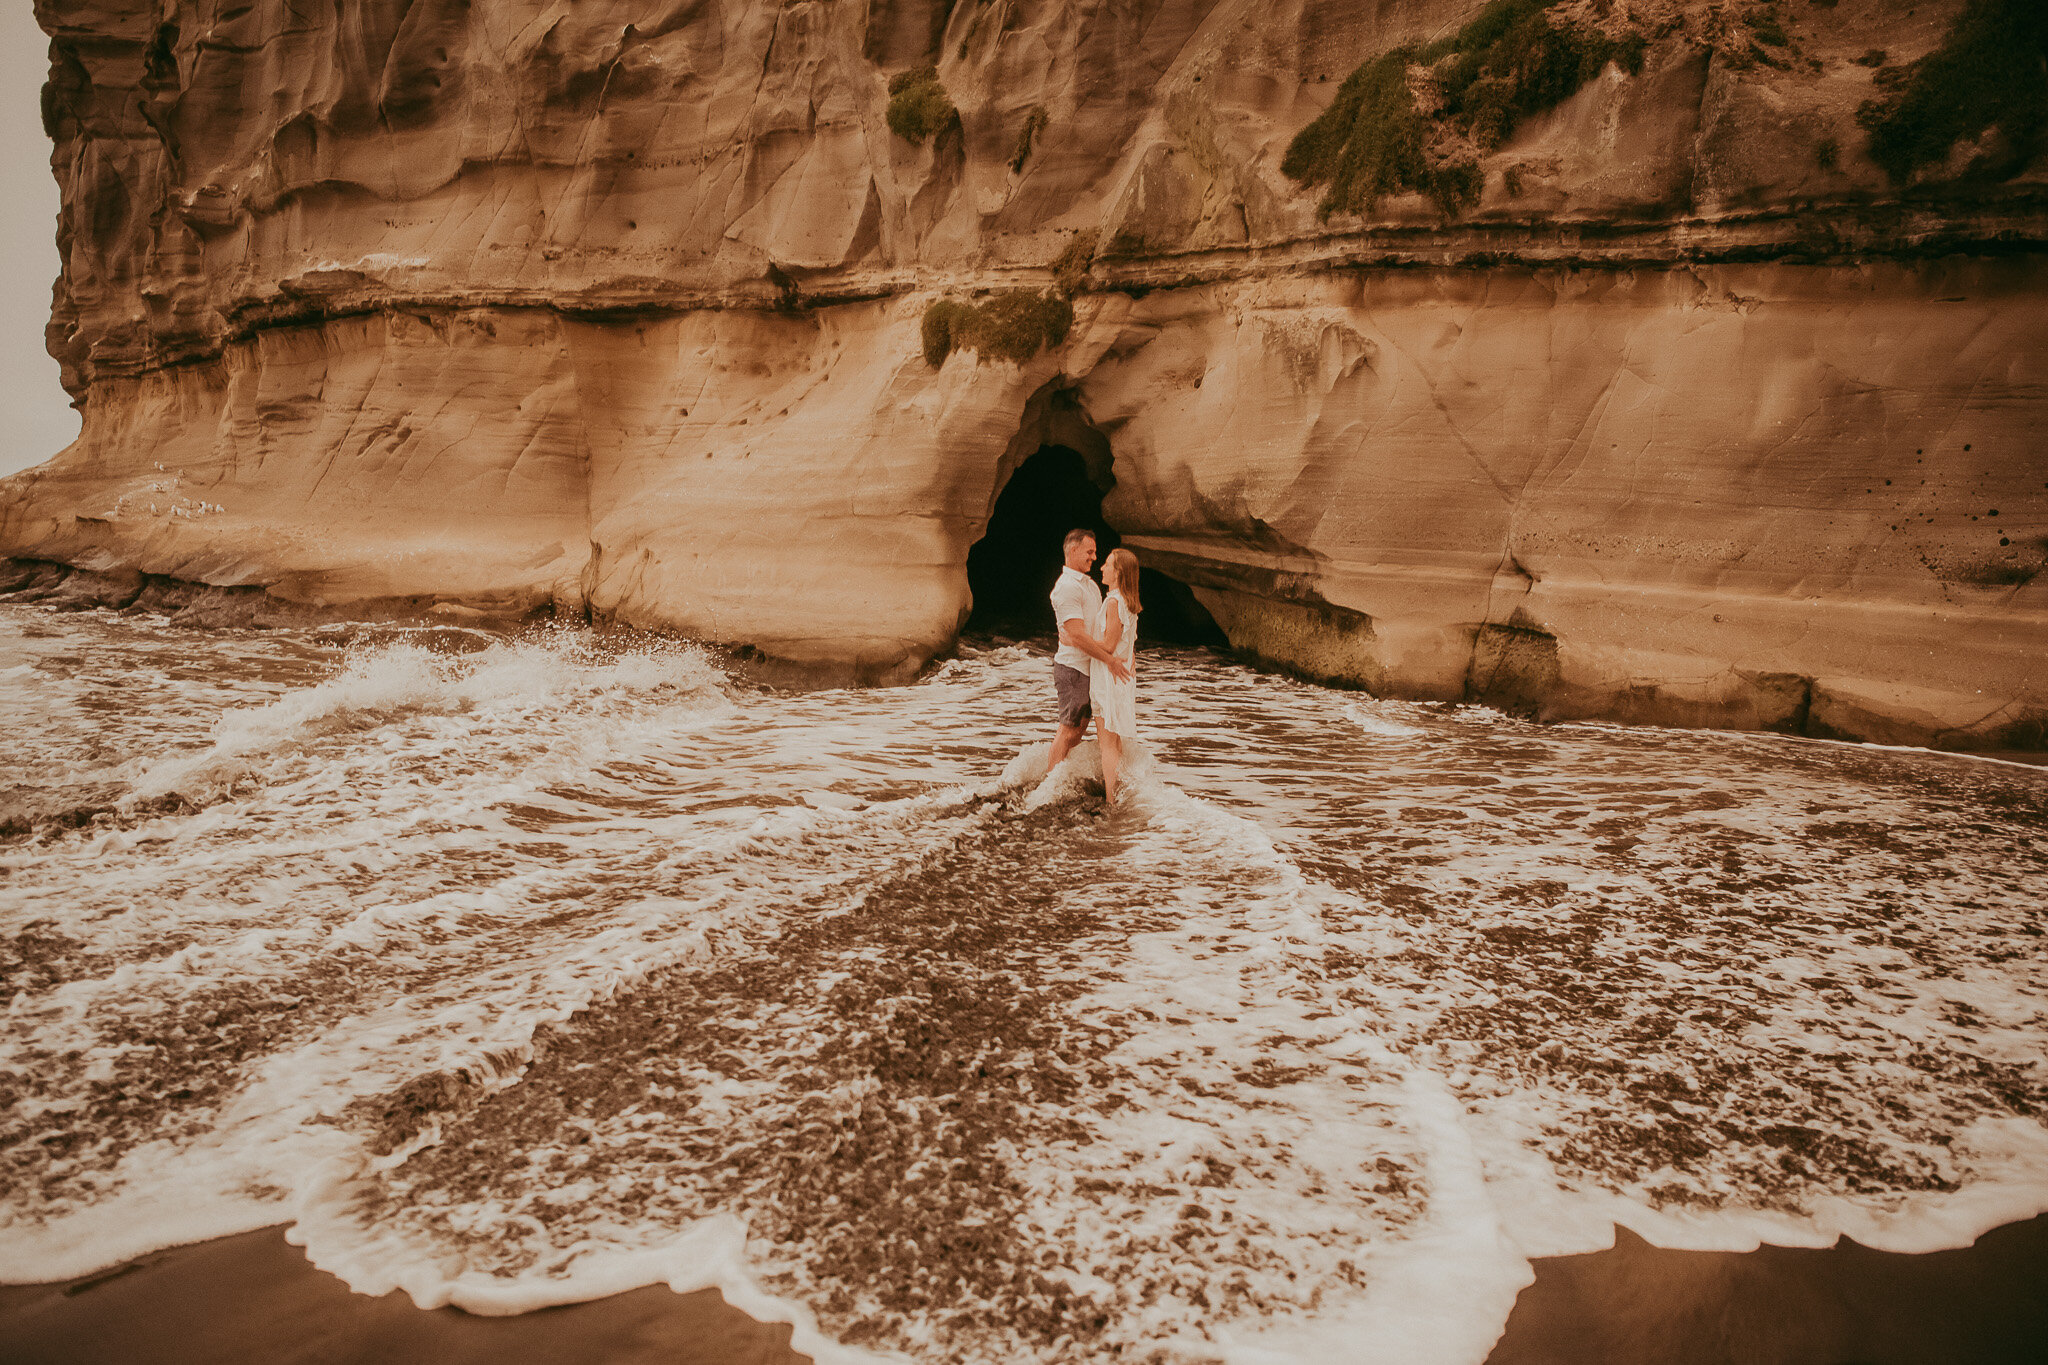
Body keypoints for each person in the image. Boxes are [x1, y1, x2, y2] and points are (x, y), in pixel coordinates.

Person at [1048, 528, 1129, 777]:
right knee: (1068, 731)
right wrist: (1109, 660)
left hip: (1089, 667)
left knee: (1077, 730)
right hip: (1073, 669)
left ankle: (1062, 775)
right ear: (1073, 550)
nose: (1094, 557)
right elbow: (1078, 634)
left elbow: (1094, 628)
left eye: (1095, 552)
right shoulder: (1067, 587)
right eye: (1089, 552)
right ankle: (1050, 783)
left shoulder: (1090, 585)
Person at [1090, 547, 1141, 803]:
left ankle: (1111, 799)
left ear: (1118, 572)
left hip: (1108, 678)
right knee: (1115, 740)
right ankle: (1119, 791)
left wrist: (1080, 640)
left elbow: (1109, 646)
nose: (1102, 568)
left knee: (1107, 743)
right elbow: (1128, 643)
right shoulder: (1128, 602)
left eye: (1107, 564)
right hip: (1122, 677)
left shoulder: (1113, 601)